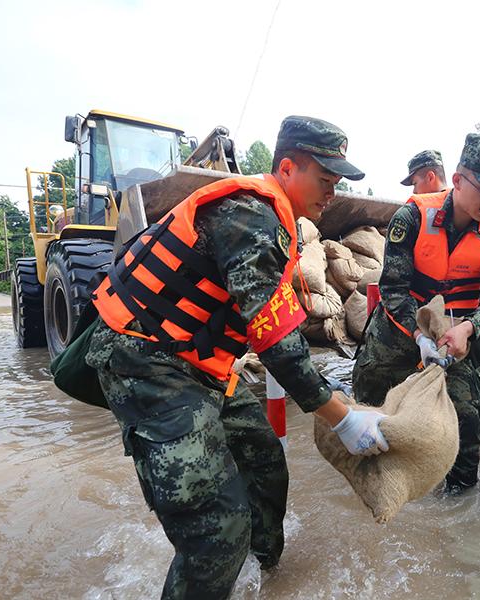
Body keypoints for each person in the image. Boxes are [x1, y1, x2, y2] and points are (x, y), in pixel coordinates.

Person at [85, 116, 388, 599]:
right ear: (288, 168)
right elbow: (278, 347)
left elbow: (273, 319)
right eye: (325, 180)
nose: (332, 193)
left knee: (264, 463)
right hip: (148, 364)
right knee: (213, 531)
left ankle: (257, 579)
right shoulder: (249, 215)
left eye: (337, 184)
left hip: (202, 365)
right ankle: (215, 568)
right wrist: (342, 417)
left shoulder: (276, 224)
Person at [353, 133, 480, 493]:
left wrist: (471, 329)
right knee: (367, 416)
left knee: (465, 421)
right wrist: (417, 335)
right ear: (458, 180)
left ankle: (458, 509)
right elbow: (393, 289)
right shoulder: (411, 217)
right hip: (393, 338)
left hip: (451, 342)